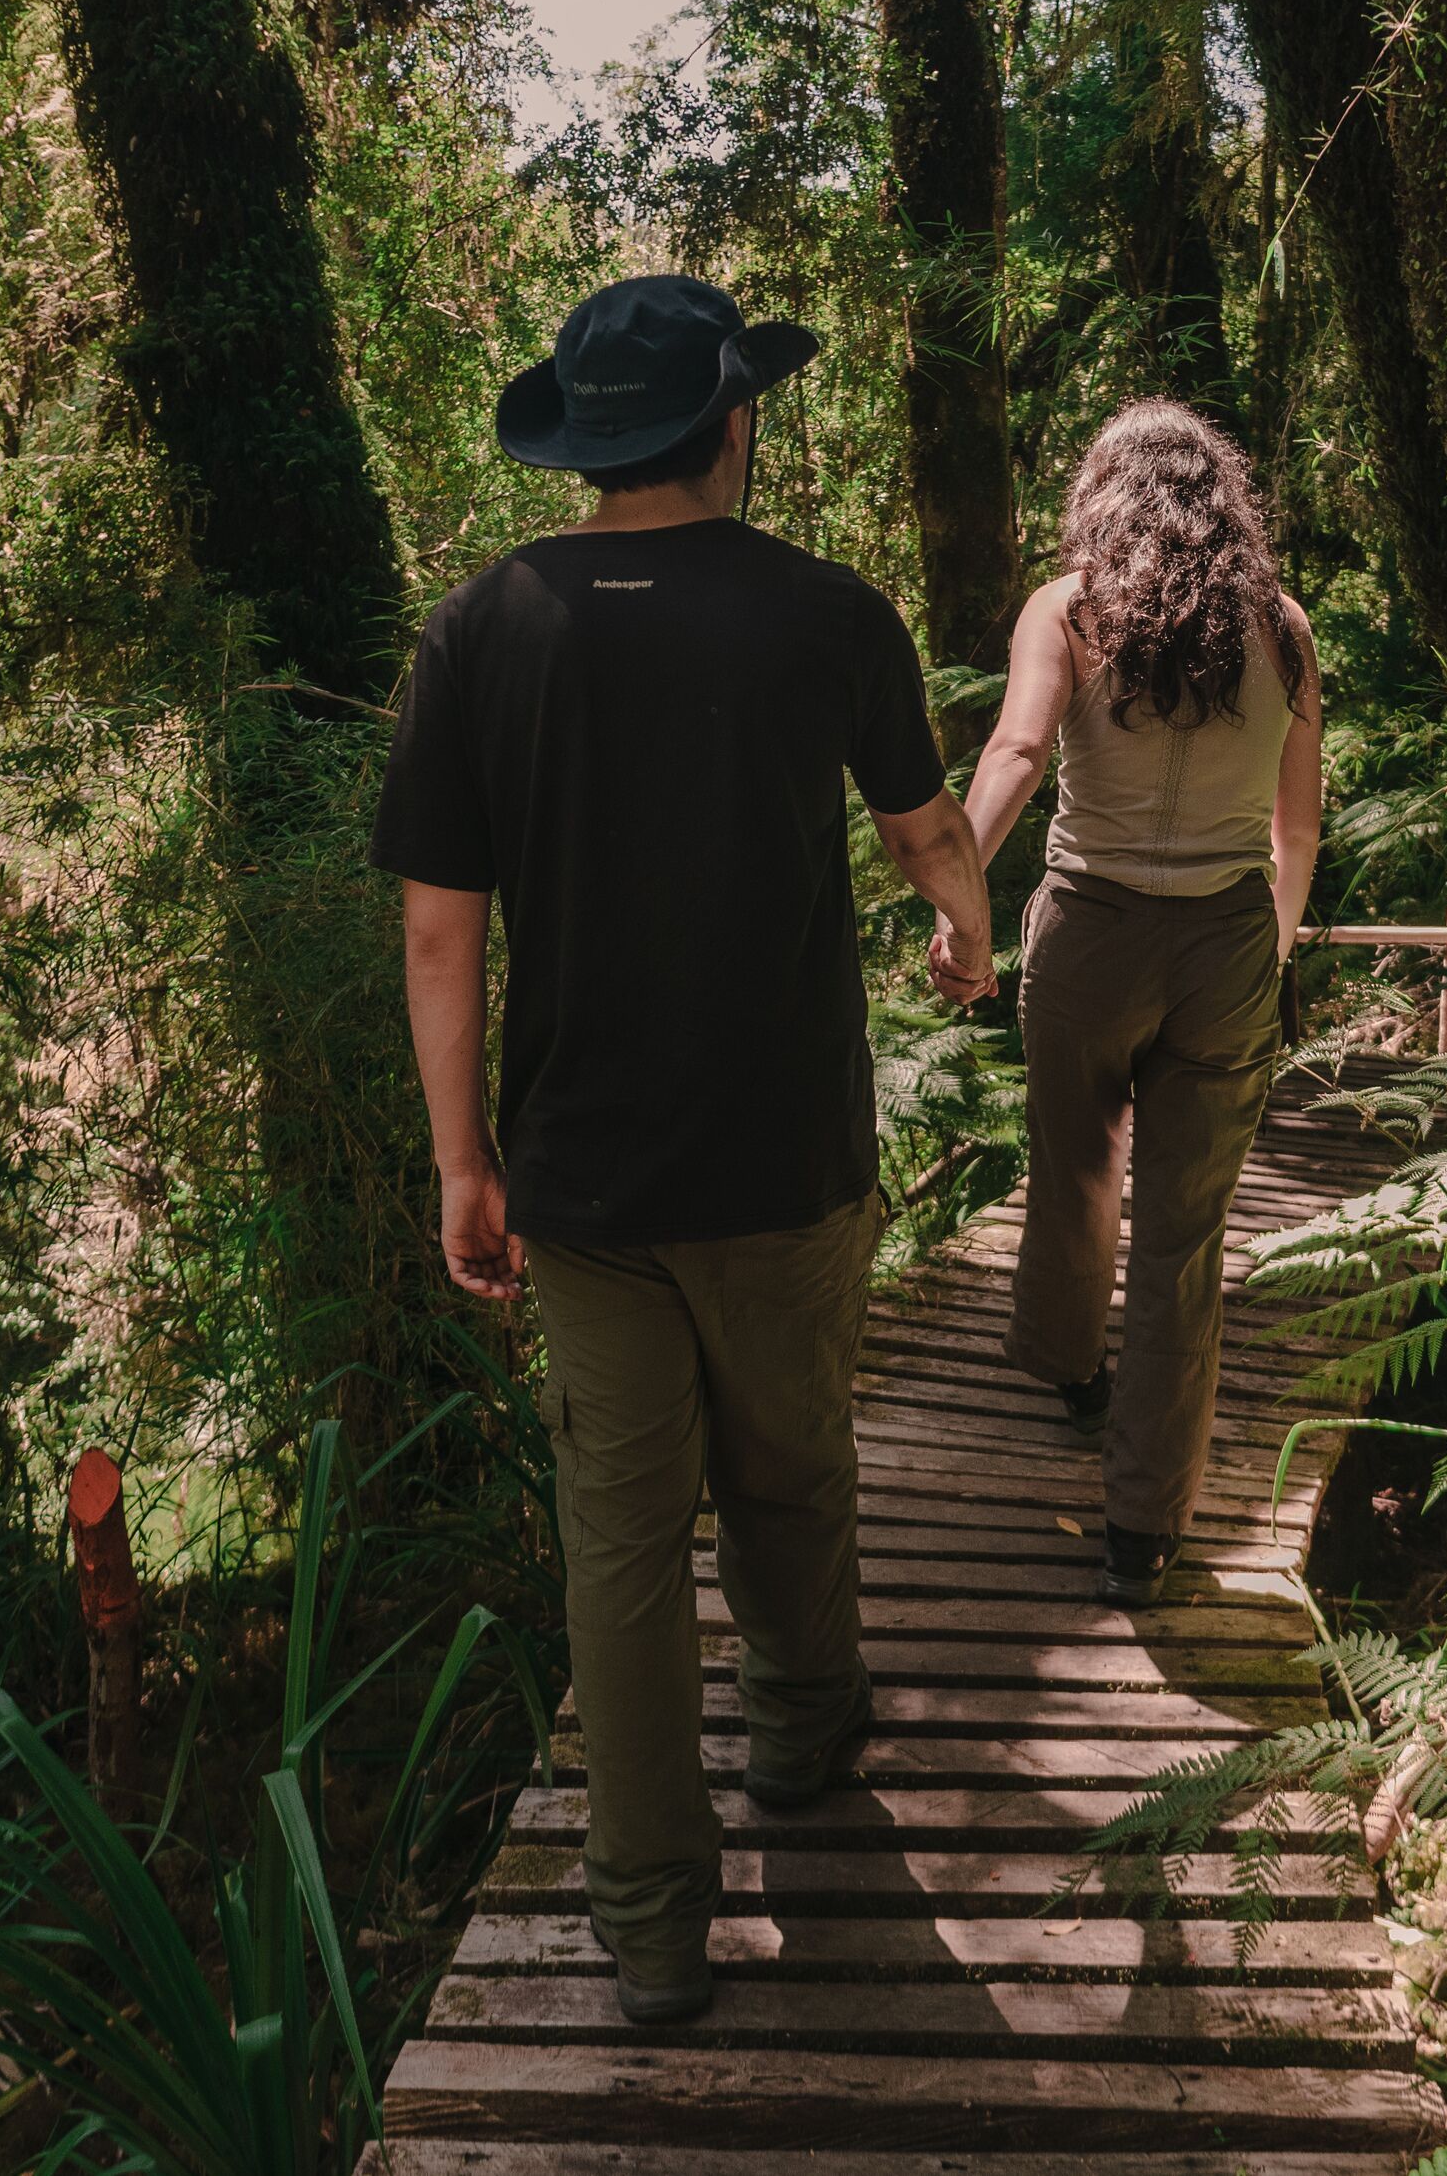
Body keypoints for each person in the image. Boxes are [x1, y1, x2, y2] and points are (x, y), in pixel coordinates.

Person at [371, 274, 996, 2029]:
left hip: (582, 1183)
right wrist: (968, 924)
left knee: (623, 1547)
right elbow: (926, 823)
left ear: (587, 447)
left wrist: (461, 1163)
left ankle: (652, 1927)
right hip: (789, 1154)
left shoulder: (479, 629)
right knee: (794, 1463)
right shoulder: (829, 615)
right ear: (730, 424)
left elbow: (440, 933)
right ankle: (802, 1736)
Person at [960, 400, 1322, 1608]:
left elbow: (1015, 754)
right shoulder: (1284, 629)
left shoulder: (1069, 609)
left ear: (1106, 497)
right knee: (1183, 1239)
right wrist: (1264, 956)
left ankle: (1070, 1369)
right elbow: (1298, 826)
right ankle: (1142, 1528)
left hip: (1090, 932)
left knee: (1071, 1166)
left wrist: (958, 902)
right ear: (1224, 502)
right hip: (1222, 942)